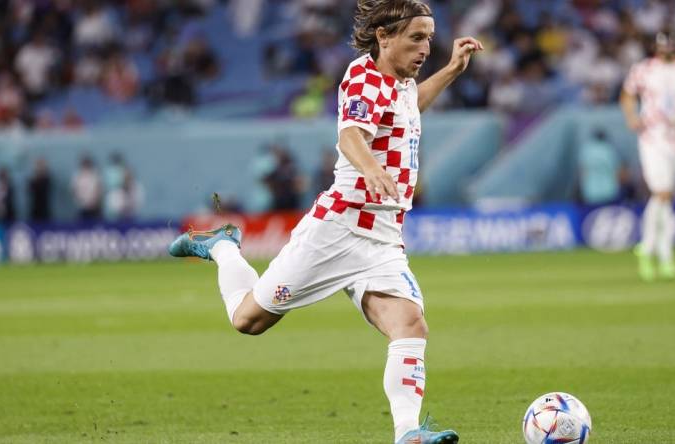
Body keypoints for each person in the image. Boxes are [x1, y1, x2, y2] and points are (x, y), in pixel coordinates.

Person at [168, 1, 482, 442]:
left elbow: (411, 109)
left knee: (410, 324)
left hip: (384, 239)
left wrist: (451, 69)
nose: (426, 47)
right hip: (337, 230)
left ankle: (408, 433)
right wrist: (371, 168)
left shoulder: (404, 82)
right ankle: (222, 245)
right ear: (384, 36)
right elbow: (351, 134)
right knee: (248, 320)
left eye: (430, 37)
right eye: (417, 37)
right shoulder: (363, 77)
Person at [620, 31, 675, 281]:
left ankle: (660, 256)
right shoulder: (643, 70)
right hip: (652, 136)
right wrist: (631, 117)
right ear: (656, 48)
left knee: (666, 198)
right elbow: (627, 95)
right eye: (662, 47)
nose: (666, 51)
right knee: (663, 192)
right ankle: (651, 248)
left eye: (670, 47)